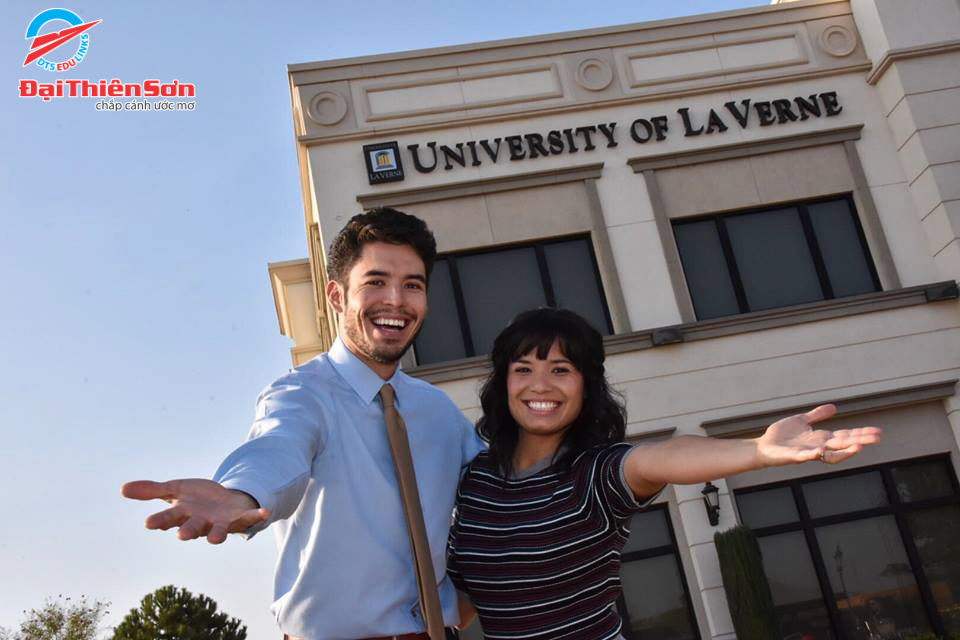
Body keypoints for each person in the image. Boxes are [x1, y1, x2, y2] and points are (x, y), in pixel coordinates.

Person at [123, 208, 484, 640]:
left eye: (413, 285)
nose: (396, 300)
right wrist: (242, 494)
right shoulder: (301, 396)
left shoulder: (439, 412)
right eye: (375, 282)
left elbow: (499, 499)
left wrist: (470, 597)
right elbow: (278, 447)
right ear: (336, 296)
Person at [447, 308, 881, 640]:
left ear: (587, 385)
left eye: (561, 369)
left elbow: (665, 456)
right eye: (523, 369)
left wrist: (757, 452)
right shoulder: (475, 481)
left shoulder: (596, 473)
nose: (540, 385)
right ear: (503, 384)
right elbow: (462, 607)